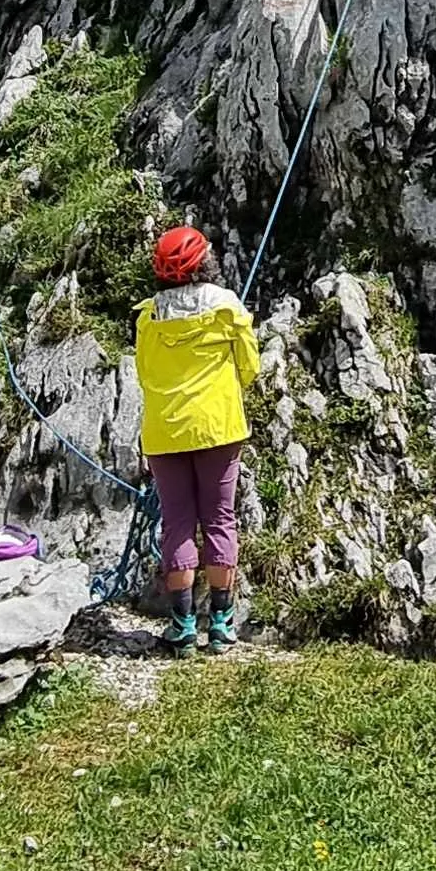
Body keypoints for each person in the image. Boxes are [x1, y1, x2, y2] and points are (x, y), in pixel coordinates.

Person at [135, 225, 260, 656]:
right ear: (205, 262)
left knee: (178, 522)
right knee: (220, 518)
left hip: (165, 432)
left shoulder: (148, 317)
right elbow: (250, 367)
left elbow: (146, 375)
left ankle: (182, 627)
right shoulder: (227, 307)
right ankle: (222, 626)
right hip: (218, 428)